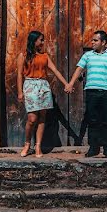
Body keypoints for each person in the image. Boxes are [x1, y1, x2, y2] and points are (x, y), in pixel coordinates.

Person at [65, 30, 107, 158]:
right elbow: (79, 69)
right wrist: (71, 83)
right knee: (93, 121)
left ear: (103, 42)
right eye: (93, 40)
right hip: (91, 92)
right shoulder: (87, 55)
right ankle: (94, 148)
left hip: (105, 93)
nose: (92, 42)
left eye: (95, 40)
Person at [17, 30, 68, 158]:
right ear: (34, 41)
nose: (43, 42)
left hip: (43, 86)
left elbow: (55, 70)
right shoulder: (23, 55)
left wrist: (66, 84)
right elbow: (19, 74)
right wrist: (19, 92)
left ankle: (38, 145)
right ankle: (27, 144)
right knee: (32, 118)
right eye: (41, 39)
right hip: (30, 86)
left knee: (42, 118)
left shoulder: (45, 56)